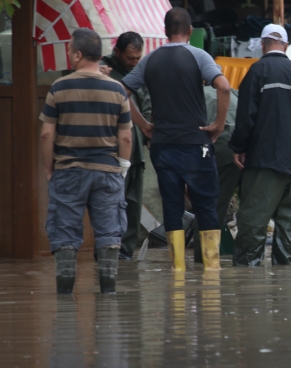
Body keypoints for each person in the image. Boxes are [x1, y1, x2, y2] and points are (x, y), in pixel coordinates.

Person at [121, 7, 231, 271]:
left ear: (164, 31)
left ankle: (178, 270)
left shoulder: (150, 60)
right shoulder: (198, 55)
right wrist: (218, 124)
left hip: (163, 146)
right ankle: (212, 271)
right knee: (205, 205)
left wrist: (144, 125)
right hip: (195, 144)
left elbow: (121, 91)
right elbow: (225, 86)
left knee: (172, 206)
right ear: (190, 31)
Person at [40, 28, 133, 294]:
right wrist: (122, 169)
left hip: (68, 170)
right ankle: (108, 296)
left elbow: (47, 132)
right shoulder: (117, 89)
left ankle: (65, 301)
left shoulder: (59, 87)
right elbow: (125, 138)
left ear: (78, 54)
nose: (69, 56)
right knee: (109, 234)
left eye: (70, 51)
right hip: (107, 171)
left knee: (65, 234)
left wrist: (50, 169)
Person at [228, 24, 291, 267]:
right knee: (290, 229)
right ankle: (286, 284)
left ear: (263, 44)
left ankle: (247, 282)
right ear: (286, 46)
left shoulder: (257, 72)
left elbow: (245, 118)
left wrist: (239, 147)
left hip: (265, 161)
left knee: (253, 222)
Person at [100, 32, 152, 261]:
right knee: (111, 202)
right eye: (130, 58)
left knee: (133, 203)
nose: (134, 62)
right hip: (111, 150)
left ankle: (126, 253)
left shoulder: (139, 72)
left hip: (137, 150)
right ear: (117, 52)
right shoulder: (102, 69)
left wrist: (150, 132)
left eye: (137, 58)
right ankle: (107, 250)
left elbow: (148, 103)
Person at [193, 86, 240, 262]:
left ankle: (204, 258)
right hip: (233, 153)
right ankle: (211, 258)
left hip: (209, 153)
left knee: (208, 207)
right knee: (216, 206)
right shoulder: (233, 93)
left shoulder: (194, 94)